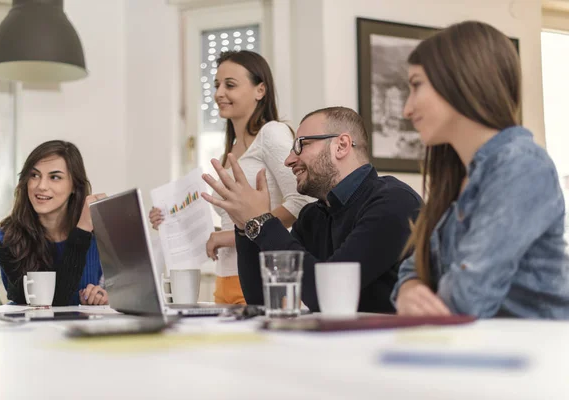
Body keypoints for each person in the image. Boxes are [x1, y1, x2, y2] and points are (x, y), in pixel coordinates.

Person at [391, 21, 569, 319]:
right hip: (482, 352)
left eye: (417, 85)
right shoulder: (459, 174)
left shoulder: (521, 166)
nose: (407, 109)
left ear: (459, 81)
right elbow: (416, 266)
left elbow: (466, 299)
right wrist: (409, 288)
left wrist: (418, 299)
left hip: (535, 357)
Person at [201, 106, 422, 313]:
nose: (289, 160)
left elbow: (328, 293)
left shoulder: (394, 202)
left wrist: (262, 221)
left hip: (391, 347)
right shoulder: (313, 216)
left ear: (342, 145)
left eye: (301, 145)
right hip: (336, 347)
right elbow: (261, 301)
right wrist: (245, 226)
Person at [149, 50, 311, 305]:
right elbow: (232, 226)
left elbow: (301, 203)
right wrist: (171, 223)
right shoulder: (231, 150)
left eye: (230, 85)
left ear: (260, 90)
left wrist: (226, 237)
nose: (218, 93)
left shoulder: (272, 133)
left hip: (263, 280)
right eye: (216, 85)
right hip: (225, 280)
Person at [0, 140, 109, 306]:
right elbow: (50, 301)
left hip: (81, 330)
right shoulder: (5, 241)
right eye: (34, 175)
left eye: (55, 177)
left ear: (74, 185)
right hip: (29, 330)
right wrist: (82, 230)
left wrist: (102, 298)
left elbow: (125, 293)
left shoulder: (101, 235)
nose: (41, 186)